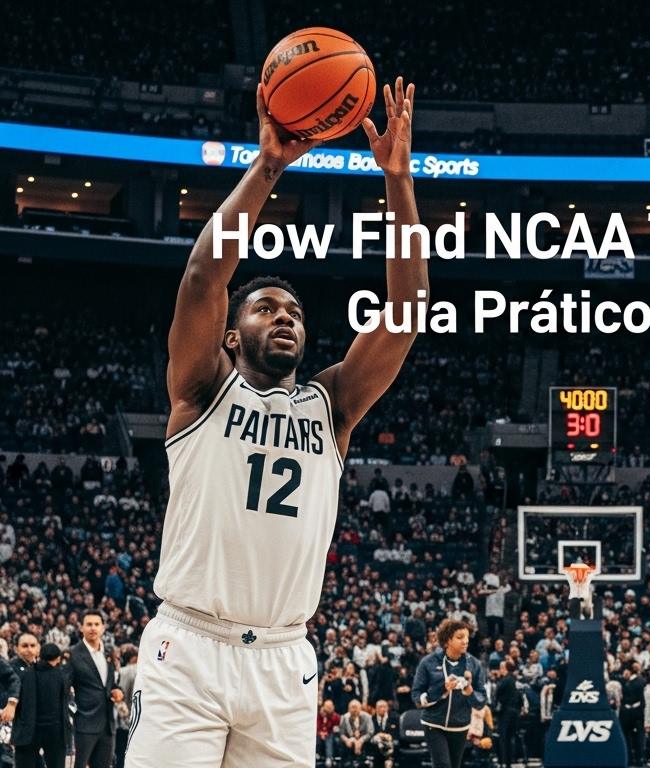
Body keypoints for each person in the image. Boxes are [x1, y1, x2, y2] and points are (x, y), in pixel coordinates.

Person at [123, 77, 428, 768]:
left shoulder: (333, 407)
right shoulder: (200, 392)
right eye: (262, 307)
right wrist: (269, 167)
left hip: (285, 660)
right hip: (189, 648)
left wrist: (399, 181)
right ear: (230, 337)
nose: (282, 315)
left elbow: (409, 309)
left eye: (292, 311)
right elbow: (204, 276)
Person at [413, 619, 488, 768]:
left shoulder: (474, 664)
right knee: (443, 765)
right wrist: (442, 689)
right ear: (447, 641)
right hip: (433, 723)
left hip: (460, 725)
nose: (465, 641)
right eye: (460, 637)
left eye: (467, 637)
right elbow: (416, 696)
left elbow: (481, 701)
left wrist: (470, 693)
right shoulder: (428, 662)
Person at [72, 612, 122, 768]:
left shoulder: (109, 652)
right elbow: (64, 688)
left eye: (96, 624)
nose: (93, 628)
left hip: (107, 724)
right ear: (81, 628)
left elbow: (111, 683)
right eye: (89, 624)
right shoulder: (73, 654)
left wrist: (117, 690)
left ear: (103, 627)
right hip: (83, 723)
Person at [13, 641, 69, 768]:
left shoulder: (25, 674)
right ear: (58, 658)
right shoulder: (61, 676)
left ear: (40, 655)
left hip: (28, 731)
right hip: (55, 731)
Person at [337, 699, 374, 767]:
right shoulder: (345, 717)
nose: (354, 710)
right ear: (348, 709)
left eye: (356, 707)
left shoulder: (367, 717)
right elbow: (341, 733)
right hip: (349, 741)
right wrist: (347, 740)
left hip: (364, 741)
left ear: (360, 708)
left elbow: (370, 732)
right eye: (352, 707)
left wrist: (360, 740)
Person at [369, 700, 396, 768]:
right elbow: (370, 733)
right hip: (376, 745)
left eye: (385, 707)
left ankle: (389, 761)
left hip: (390, 743)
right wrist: (379, 735)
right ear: (376, 708)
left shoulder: (395, 718)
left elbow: (397, 733)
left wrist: (389, 736)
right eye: (380, 707)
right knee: (376, 740)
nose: (383, 709)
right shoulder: (371, 719)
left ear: (388, 708)